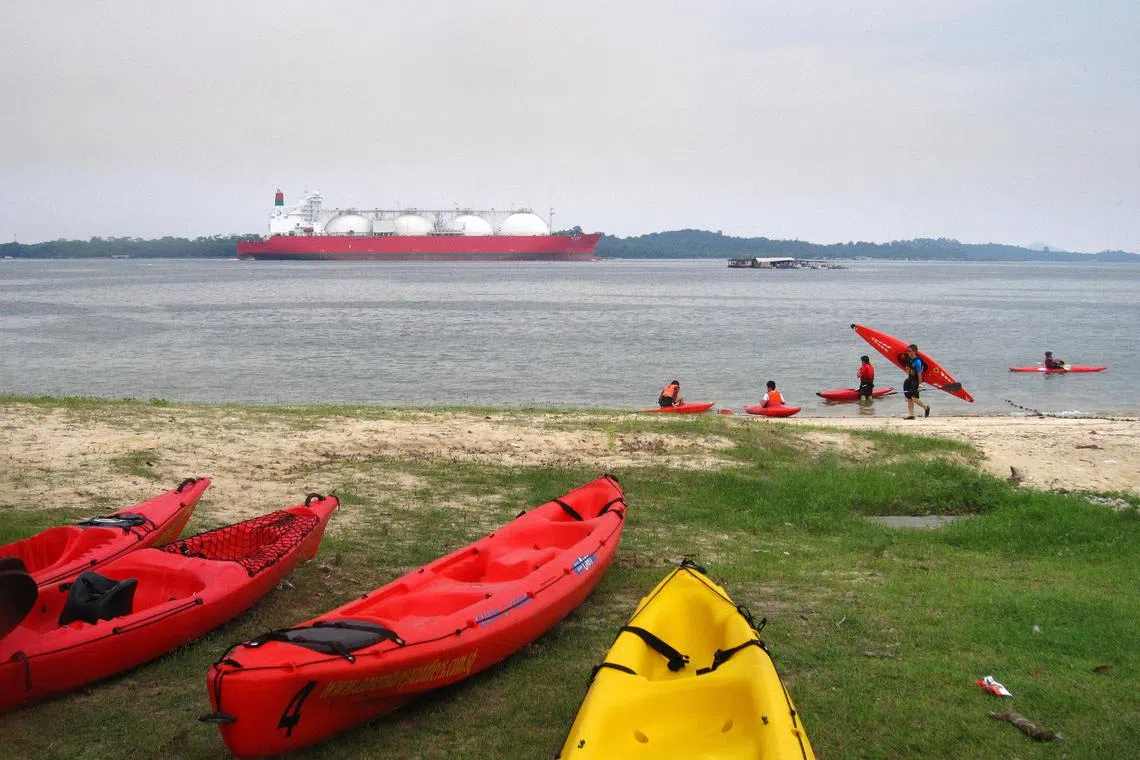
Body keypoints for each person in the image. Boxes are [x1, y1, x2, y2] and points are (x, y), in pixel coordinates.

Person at [902, 344, 930, 419]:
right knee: (909, 398)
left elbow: (919, 374)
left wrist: (919, 385)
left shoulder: (917, 362)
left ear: (915, 352)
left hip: (915, 381)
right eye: (907, 351)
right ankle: (911, 415)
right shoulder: (910, 359)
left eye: (910, 351)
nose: (908, 352)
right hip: (909, 380)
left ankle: (926, 407)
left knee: (914, 398)